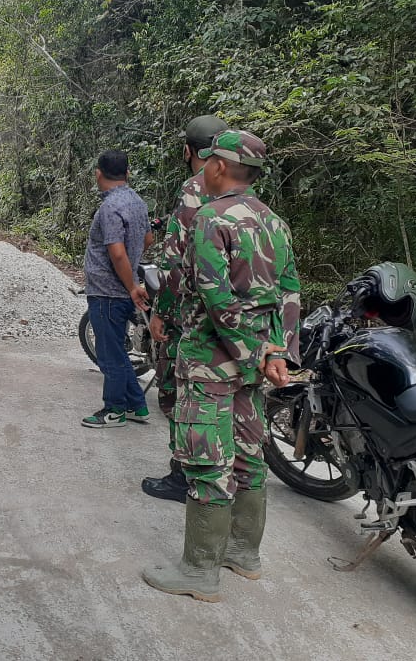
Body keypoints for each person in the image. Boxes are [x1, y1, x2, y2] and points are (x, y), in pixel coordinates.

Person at [142, 129, 300, 602]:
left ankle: (200, 571)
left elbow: (214, 296)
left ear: (216, 166)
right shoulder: (274, 221)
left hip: (213, 362)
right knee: (250, 455)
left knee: (207, 463)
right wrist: (276, 352)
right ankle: (243, 553)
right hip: (254, 367)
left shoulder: (211, 218)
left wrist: (247, 351)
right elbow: (289, 292)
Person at [142, 115, 227, 501]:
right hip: (229, 319)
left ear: (188, 151)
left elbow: (175, 264)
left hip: (190, 317)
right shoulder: (240, 192)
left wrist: (160, 312)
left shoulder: (194, 188)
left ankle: (184, 476)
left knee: (175, 395)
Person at [80, 149, 154, 428]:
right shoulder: (137, 201)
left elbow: (117, 253)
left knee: (110, 355)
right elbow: (147, 239)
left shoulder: (109, 208)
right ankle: (137, 406)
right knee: (118, 351)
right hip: (120, 289)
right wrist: (132, 275)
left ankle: (114, 411)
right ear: (127, 173)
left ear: (98, 173)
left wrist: (130, 284)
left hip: (108, 292)